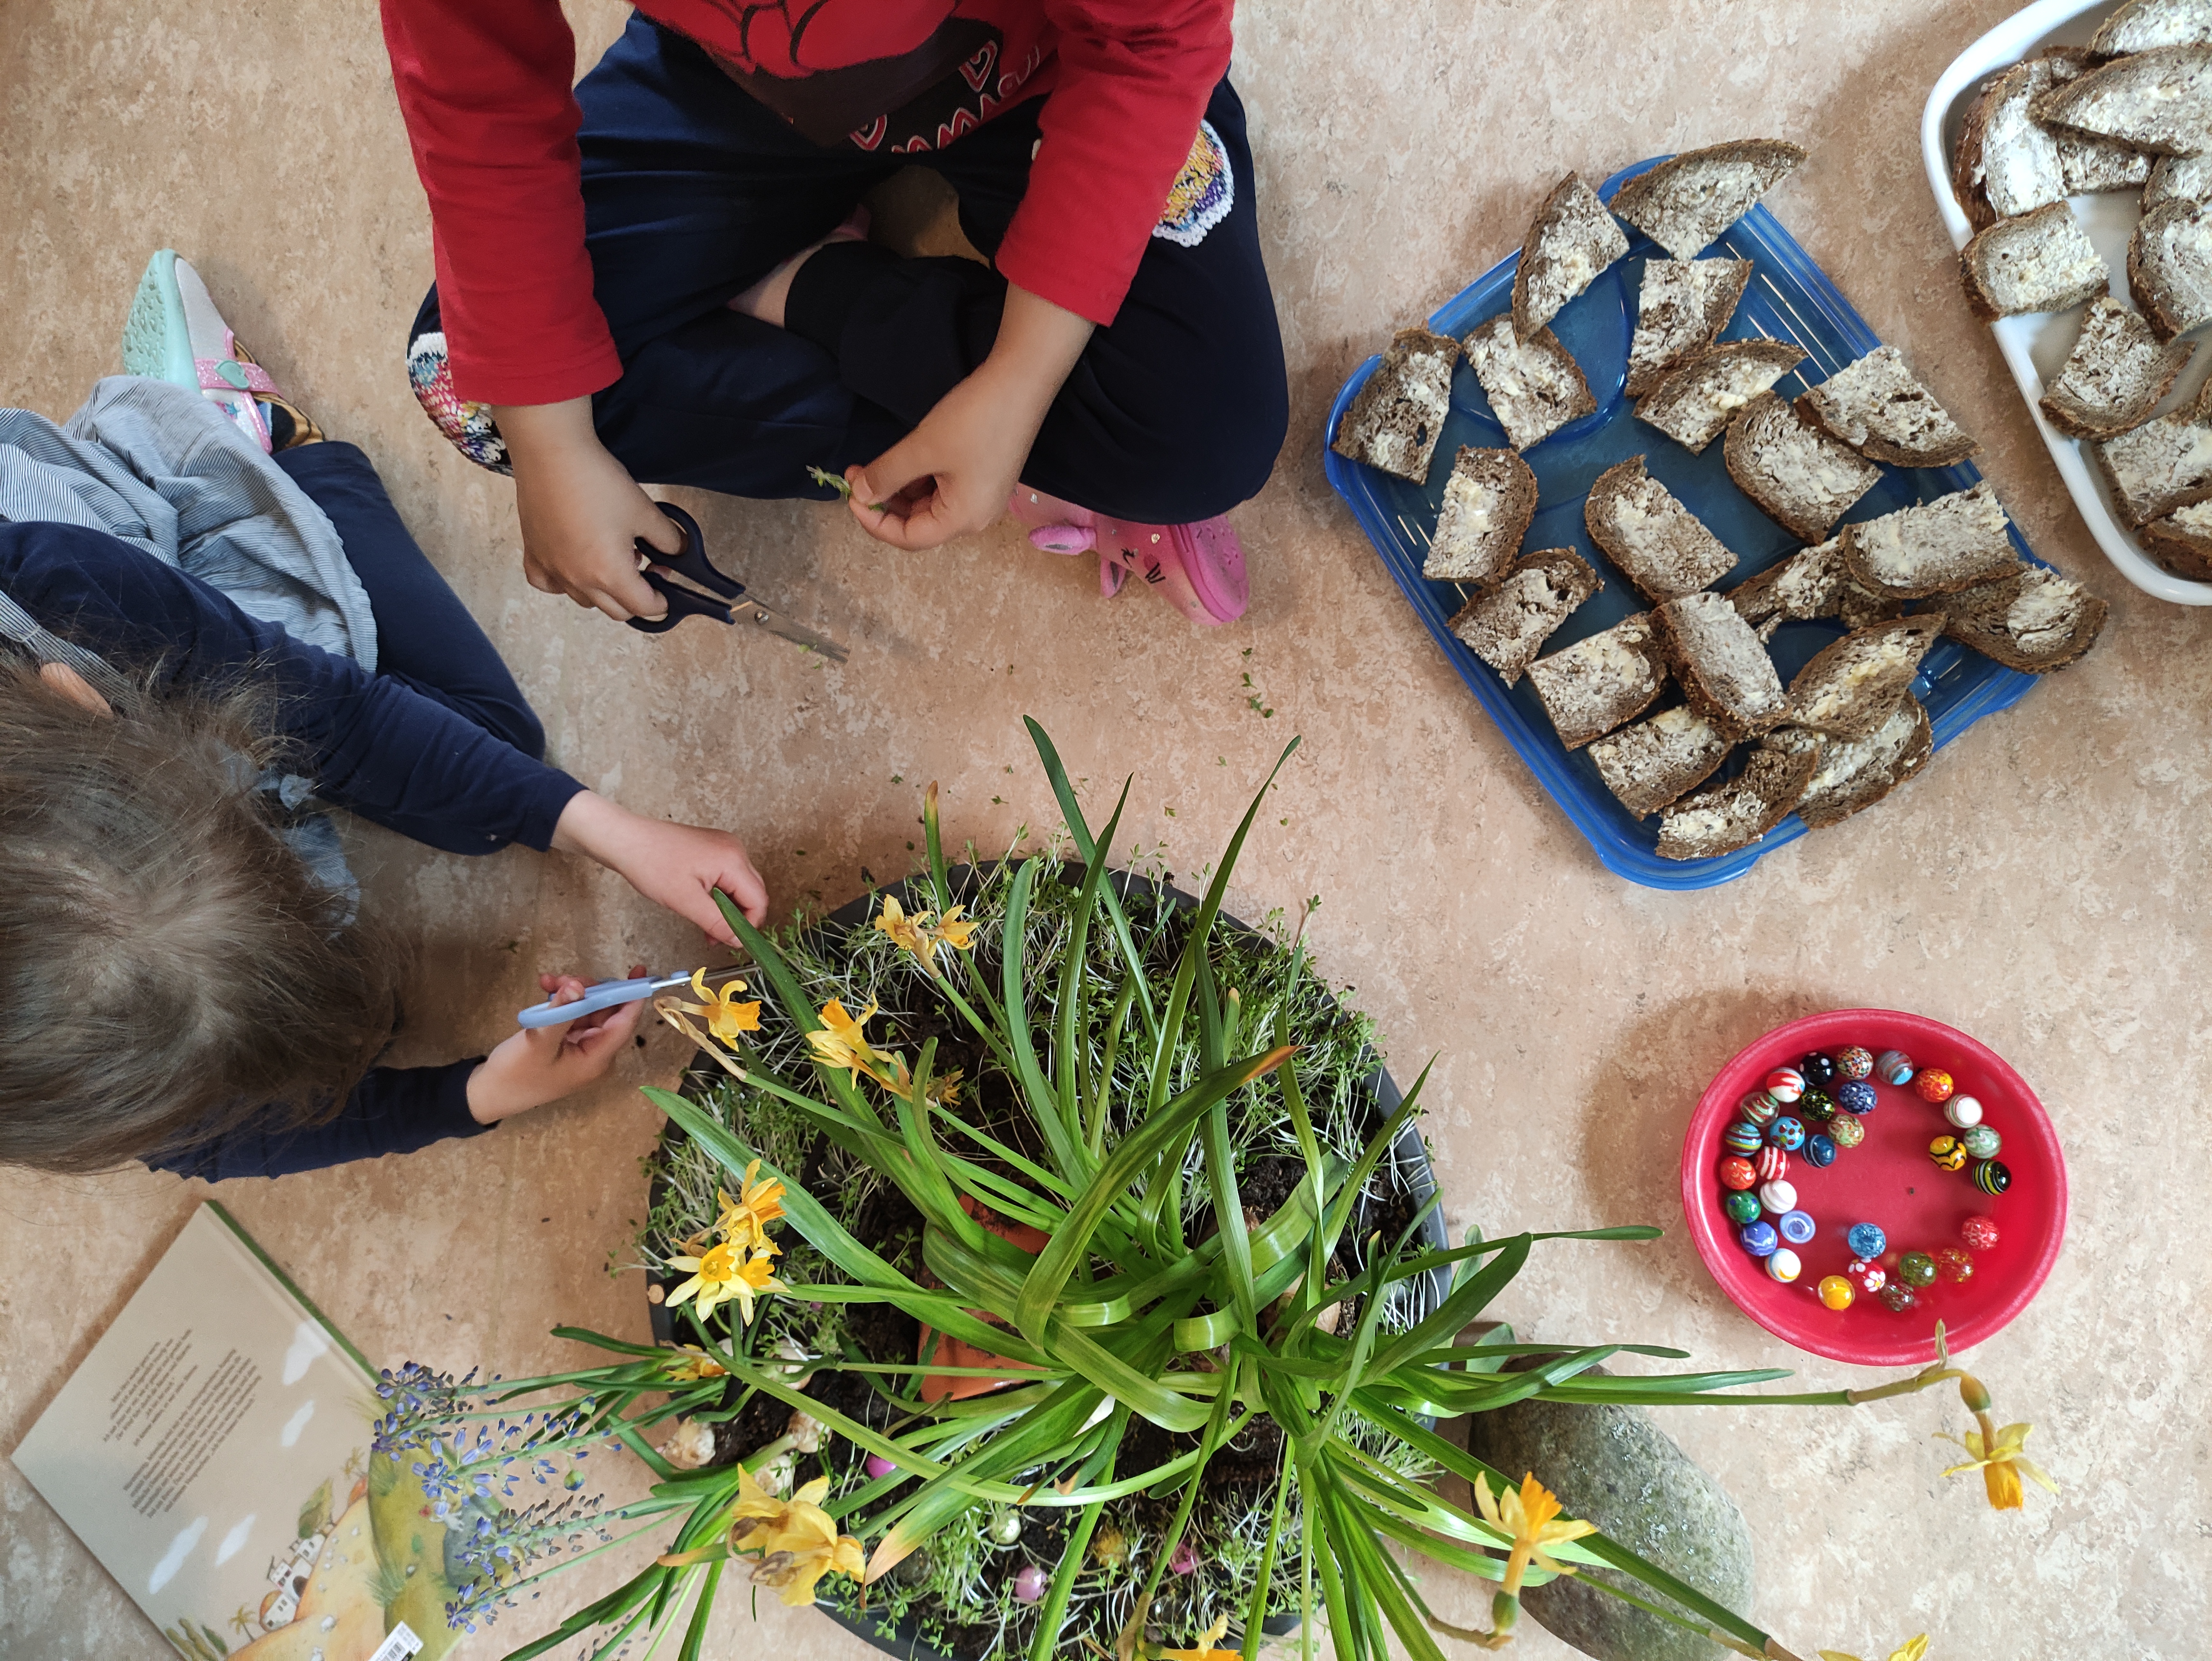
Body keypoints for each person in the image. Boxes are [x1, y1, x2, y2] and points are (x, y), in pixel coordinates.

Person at [0, 253, 769, 1181]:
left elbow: (348, 720)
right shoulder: (54, 1067)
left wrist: (610, 829)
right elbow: (203, 1136)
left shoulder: (71, 588)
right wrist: (478, 1093)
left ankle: (259, 436)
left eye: (262, 849)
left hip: (144, 553)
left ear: (76, 702)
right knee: (278, 1033)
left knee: (487, 749)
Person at [382, 0, 1287, 627]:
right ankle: (1045, 444)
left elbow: (1150, 45)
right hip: (733, 84)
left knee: (1202, 431)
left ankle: (827, 299)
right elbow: (477, 107)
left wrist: (1022, 375)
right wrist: (552, 444)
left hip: (1042, 71)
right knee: (469, 385)